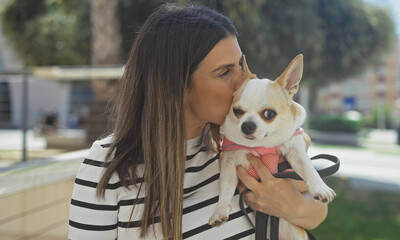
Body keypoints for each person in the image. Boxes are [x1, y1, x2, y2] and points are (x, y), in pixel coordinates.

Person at [68, 3, 327, 240]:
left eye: (240, 65)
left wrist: (295, 206)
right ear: (175, 85)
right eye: (225, 72)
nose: (244, 81)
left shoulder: (240, 143)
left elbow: (317, 213)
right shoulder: (106, 167)